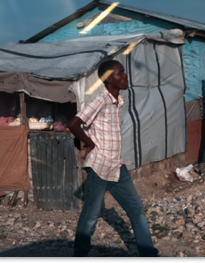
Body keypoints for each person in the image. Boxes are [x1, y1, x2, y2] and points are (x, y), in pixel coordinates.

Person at [67, 60, 159, 257]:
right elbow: (74, 123)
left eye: (124, 73)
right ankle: (80, 253)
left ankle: (149, 253)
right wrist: (90, 144)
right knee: (91, 215)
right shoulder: (99, 100)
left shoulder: (118, 101)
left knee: (136, 210)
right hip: (100, 168)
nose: (125, 76)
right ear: (109, 78)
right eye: (120, 73)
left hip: (117, 167)